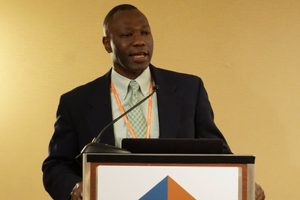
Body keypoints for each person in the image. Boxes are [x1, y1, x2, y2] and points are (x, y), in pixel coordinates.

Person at [42, 4, 265, 200]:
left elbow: (216, 152)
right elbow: (55, 166)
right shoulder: (76, 102)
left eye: (145, 32)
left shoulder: (189, 89)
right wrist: (74, 188)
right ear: (107, 44)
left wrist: (243, 182)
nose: (139, 41)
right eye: (127, 35)